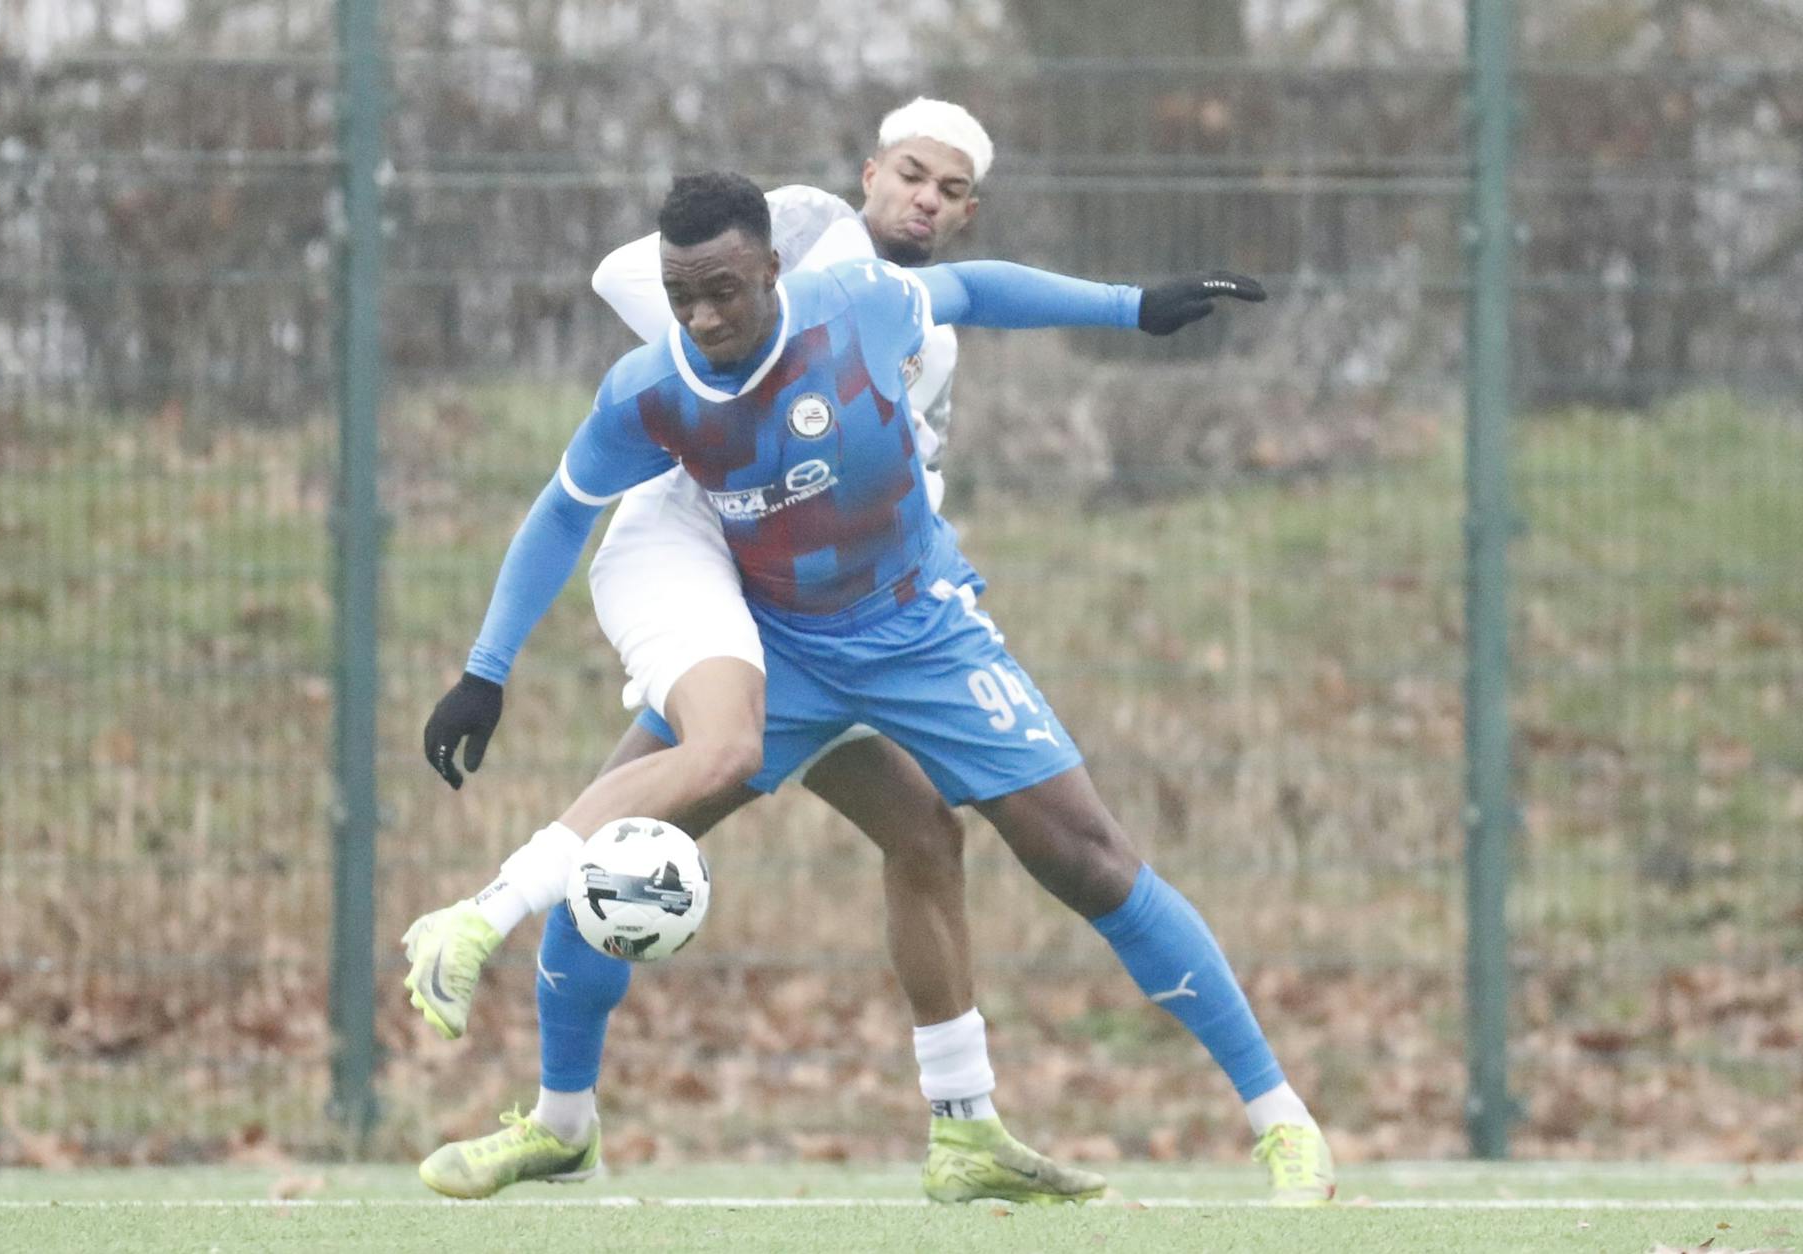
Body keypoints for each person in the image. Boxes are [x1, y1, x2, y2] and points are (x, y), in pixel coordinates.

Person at [408, 170, 1336, 1205]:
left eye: (724, 289)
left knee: (1077, 856)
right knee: (619, 855)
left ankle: (1273, 1123)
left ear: (771, 269)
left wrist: (1128, 307)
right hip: (779, 653)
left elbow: (975, 291)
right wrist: (483, 673)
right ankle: (560, 1128)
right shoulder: (649, 390)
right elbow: (559, 514)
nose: (704, 316)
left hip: (921, 629)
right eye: (682, 297)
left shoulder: (854, 303)